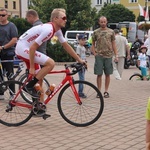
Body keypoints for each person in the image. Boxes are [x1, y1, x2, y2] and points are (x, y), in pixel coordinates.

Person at [15, 8, 85, 99]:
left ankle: (39, 107)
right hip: (22, 48)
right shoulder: (49, 30)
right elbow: (33, 48)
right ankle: (28, 86)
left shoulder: (57, 30)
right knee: (51, 63)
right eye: (63, 18)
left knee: (39, 80)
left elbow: (66, 45)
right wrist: (32, 67)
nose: (65, 20)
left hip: (26, 48)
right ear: (55, 19)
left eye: (66, 18)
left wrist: (79, 59)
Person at [91, 16, 118, 98]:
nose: (103, 23)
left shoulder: (111, 32)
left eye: (104, 21)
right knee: (99, 74)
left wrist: (116, 55)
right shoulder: (95, 32)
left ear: (107, 22)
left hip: (108, 55)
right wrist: (94, 53)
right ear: (99, 22)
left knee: (108, 74)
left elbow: (113, 43)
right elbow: (92, 43)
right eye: (101, 22)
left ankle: (106, 91)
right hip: (99, 55)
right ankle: (98, 91)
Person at [26, 9, 47, 101]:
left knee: (36, 81)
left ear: (31, 16)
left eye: (27, 18)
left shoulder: (35, 28)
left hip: (37, 56)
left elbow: (32, 45)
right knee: (39, 80)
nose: (27, 20)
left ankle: (38, 101)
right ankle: (40, 101)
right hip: (43, 54)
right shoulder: (43, 25)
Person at [0, 8, 18, 100]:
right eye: (0, 15)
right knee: (0, 74)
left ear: (7, 16)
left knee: (10, 73)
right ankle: (1, 92)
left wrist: (3, 47)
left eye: (3, 15)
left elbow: (14, 39)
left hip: (8, 52)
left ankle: (12, 93)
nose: (1, 17)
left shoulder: (11, 26)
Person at [76, 34, 87, 98]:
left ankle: (81, 91)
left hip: (83, 64)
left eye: (84, 40)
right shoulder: (78, 47)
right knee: (81, 79)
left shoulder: (83, 47)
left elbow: (84, 55)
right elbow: (78, 56)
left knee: (82, 78)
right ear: (79, 40)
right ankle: (80, 92)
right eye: (82, 40)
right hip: (80, 64)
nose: (83, 41)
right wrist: (81, 61)